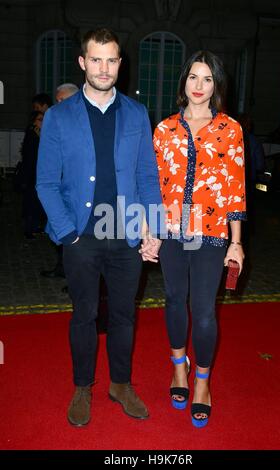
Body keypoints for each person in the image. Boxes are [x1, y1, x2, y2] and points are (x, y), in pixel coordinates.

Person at [36, 28, 162, 427]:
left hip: (126, 234)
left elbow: (147, 176)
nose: (103, 68)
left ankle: (120, 384)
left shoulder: (137, 113)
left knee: (125, 315)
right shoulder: (58, 117)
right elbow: (46, 182)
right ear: (82, 62)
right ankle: (83, 386)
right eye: (96, 59)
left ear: (120, 65)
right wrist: (67, 233)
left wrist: (152, 229)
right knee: (84, 315)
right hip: (82, 238)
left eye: (111, 60)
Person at [153, 50, 246, 428]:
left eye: (208, 79)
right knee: (174, 301)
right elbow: (153, 185)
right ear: (183, 81)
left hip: (211, 236)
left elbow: (235, 189)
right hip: (173, 232)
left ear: (217, 85)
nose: (199, 86)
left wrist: (236, 242)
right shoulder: (163, 129)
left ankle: (202, 383)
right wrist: (150, 229)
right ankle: (179, 368)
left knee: (204, 312)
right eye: (194, 77)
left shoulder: (230, 130)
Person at [40, 83, 79, 279]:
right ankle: (63, 270)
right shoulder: (56, 120)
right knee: (59, 234)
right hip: (59, 192)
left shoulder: (81, 124)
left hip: (76, 196)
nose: (58, 104)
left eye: (62, 100)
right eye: (57, 100)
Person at [21, 110, 45, 238]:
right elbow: (30, 157)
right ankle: (29, 229)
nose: (42, 122)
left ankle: (35, 227)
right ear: (34, 121)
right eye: (39, 119)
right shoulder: (32, 134)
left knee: (38, 202)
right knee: (31, 203)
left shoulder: (39, 134)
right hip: (32, 175)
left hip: (38, 173)